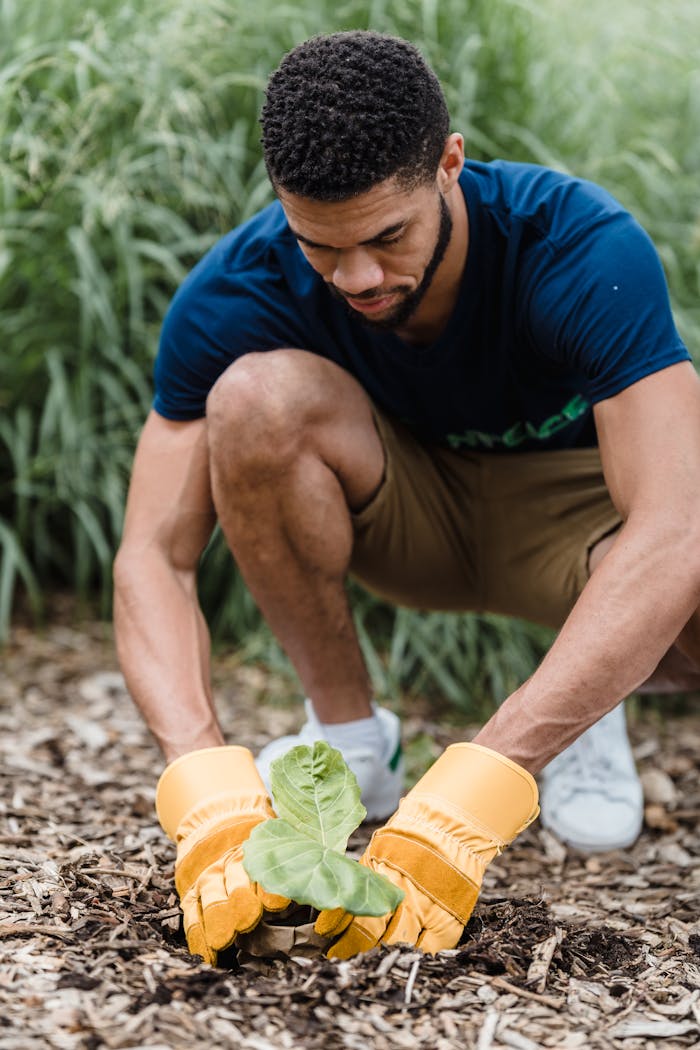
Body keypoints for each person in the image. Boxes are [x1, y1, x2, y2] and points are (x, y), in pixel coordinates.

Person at [113, 30, 700, 964]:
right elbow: (152, 553)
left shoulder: (579, 246)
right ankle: (349, 742)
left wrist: (479, 784)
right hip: (403, 512)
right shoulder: (235, 290)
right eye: (321, 246)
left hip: (581, 527)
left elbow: (676, 528)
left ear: (449, 164)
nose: (358, 278)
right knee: (253, 399)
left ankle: (586, 701)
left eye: (387, 237)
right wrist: (203, 786)